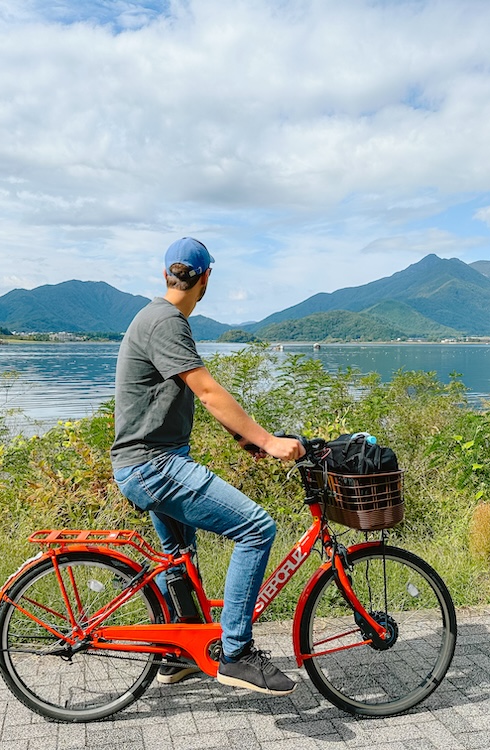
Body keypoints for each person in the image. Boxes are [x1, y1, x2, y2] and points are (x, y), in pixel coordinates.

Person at [111, 237, 304, 696]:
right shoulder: (167, 323)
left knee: (179, 559)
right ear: (206, 278)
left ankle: (178, 656)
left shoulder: (154, 317)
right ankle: (235, 653)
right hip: (154, 466)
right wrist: (268, 440)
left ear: (165, 274)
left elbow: (185, 400)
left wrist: (244, 438)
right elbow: (209, 392)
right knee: (257, 528)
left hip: (146, 462)